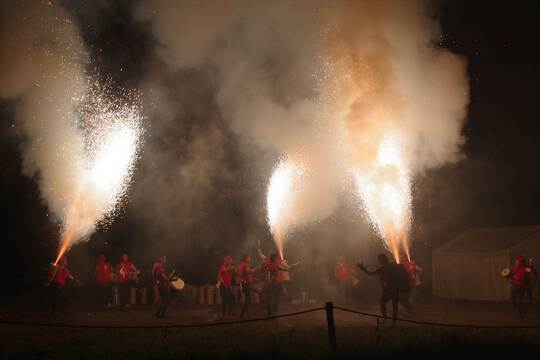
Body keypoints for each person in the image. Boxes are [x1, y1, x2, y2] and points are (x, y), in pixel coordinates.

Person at [357, 254, 410, 326]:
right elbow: (403, 271)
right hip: (392, 289)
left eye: (380, 260)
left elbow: (370, 273)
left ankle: (388, 321)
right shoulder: (392, 266)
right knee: (391, 305)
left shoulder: (383, 268)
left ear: (382, 260)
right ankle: (390, 321)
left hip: (391, 289)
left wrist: (362, 268)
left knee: (387, 304)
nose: (379, 261)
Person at [237, 255, 261, 319]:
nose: (250, 259)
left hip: (246, 283)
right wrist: (258, 268)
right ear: (246, 259)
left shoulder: (242, 264)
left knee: (248, 299)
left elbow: (246, 274)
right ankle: (242, 314)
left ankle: (246, 313)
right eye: (249, 258)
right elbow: (250, 272)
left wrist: (254, 279)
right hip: (246, 284)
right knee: (248, 300)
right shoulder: (244, 265)